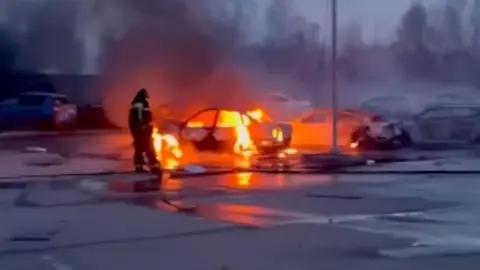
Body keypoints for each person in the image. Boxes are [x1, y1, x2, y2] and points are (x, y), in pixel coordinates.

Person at [128, 88, 161, 174]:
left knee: (139, 148)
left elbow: (134, 118)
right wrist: (144, 125)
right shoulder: (143, 103)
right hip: (143, 130)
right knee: (148, 147)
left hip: (136, 130)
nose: (147, 97)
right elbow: (143, 117)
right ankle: (154, 166)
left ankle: (139, 166)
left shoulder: (135, 103)